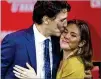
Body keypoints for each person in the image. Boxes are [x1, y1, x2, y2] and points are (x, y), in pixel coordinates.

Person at [1, 1, 70, 79]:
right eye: (62, 20)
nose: (65, 25)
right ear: (46, 20)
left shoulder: (60, 42)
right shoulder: (14, 41)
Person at [13, 19, 93, 79]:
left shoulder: (74, 64)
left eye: (73, 35)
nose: (66, 36)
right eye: (65, 31)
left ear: (81, 43)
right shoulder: (59, 58)